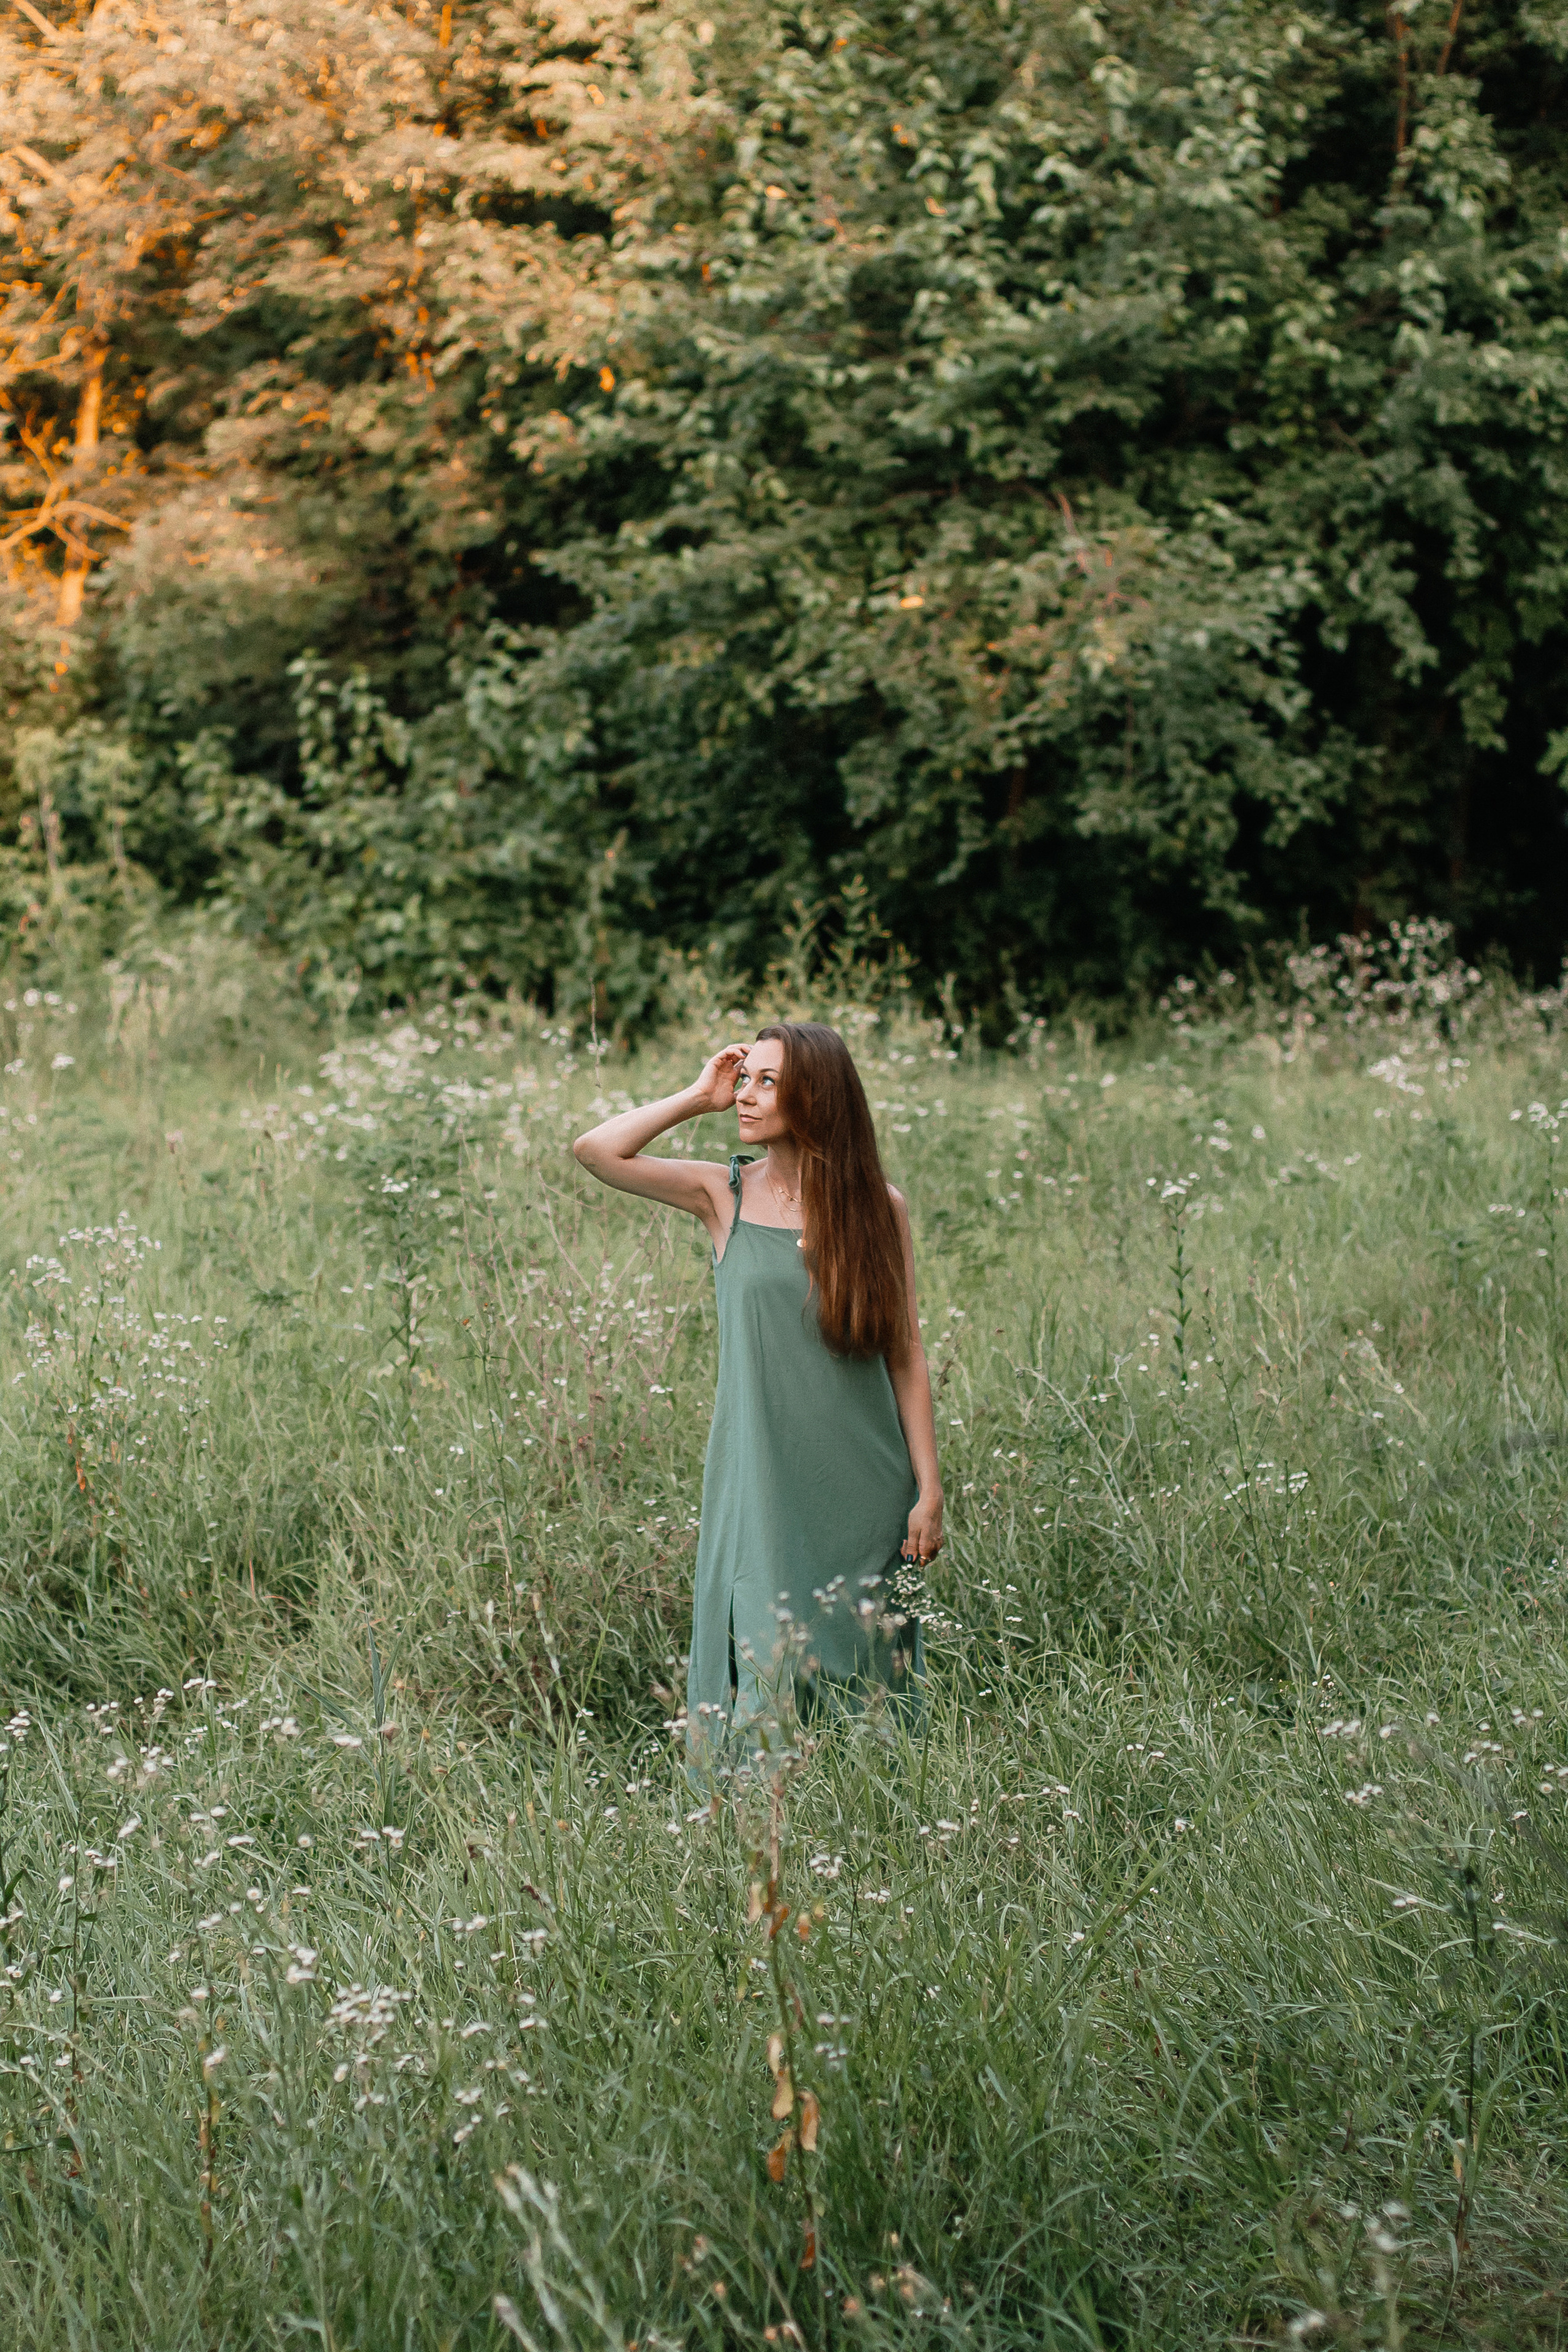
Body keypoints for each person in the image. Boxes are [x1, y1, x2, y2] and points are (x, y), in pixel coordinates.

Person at [573, 1022, 944, 1768]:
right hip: (761, 1481)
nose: (746, 1094)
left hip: (867, 1486)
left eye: (767, 1080)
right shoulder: (722, 1194)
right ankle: (752, 1838)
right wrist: (696, 1096)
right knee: (766, 1661)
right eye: (746, 1078)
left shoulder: (880, 1206)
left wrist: (929, 1490)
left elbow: (904, 1350)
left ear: (818, 1093)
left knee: (866, 1674)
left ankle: (874, 1828)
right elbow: (597, 1151)